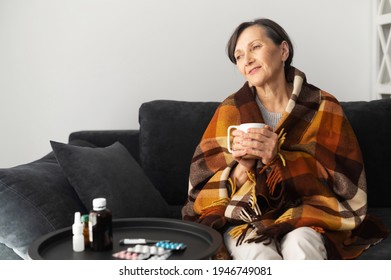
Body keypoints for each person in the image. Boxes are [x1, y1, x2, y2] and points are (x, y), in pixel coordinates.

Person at [182, 18, 388, 260]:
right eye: (238, 56)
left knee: (301, 245)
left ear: (283, 50)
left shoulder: (324, 106)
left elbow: (347, 183)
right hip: (246, 217)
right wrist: (243, 167)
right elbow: (199, 191)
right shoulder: (229, 111)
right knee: (256, 251)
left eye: (255, 47)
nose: (246, 60)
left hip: (310, 212)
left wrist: (279, 160)